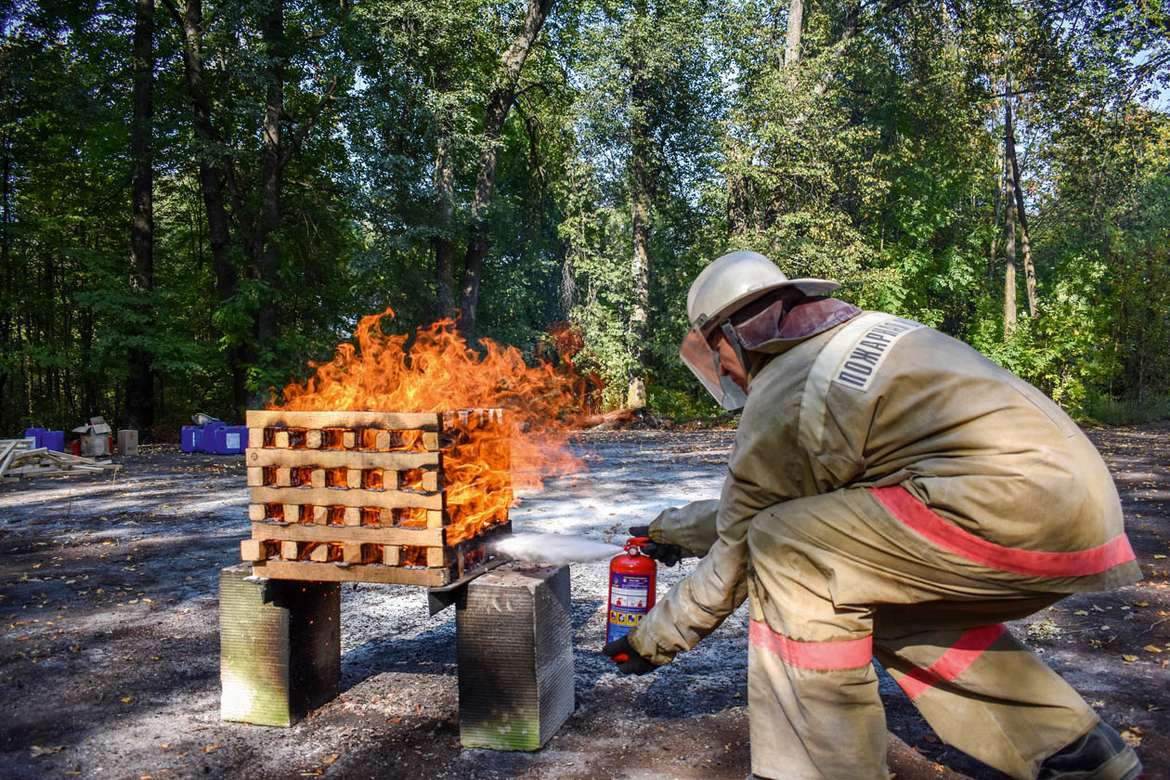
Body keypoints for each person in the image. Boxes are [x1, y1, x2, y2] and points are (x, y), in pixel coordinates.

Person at [602, 250, 1143, 780]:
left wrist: (653, 640)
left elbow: (746, 542)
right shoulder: (863, 340)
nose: (722, 371)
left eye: (713, 352)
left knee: (787, 548)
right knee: (872, 593)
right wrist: (668, 530)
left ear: (729, 335)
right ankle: (1075, 756)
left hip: (994, 514)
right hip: (1075, 515)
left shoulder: (786, 390)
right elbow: (785, 505)